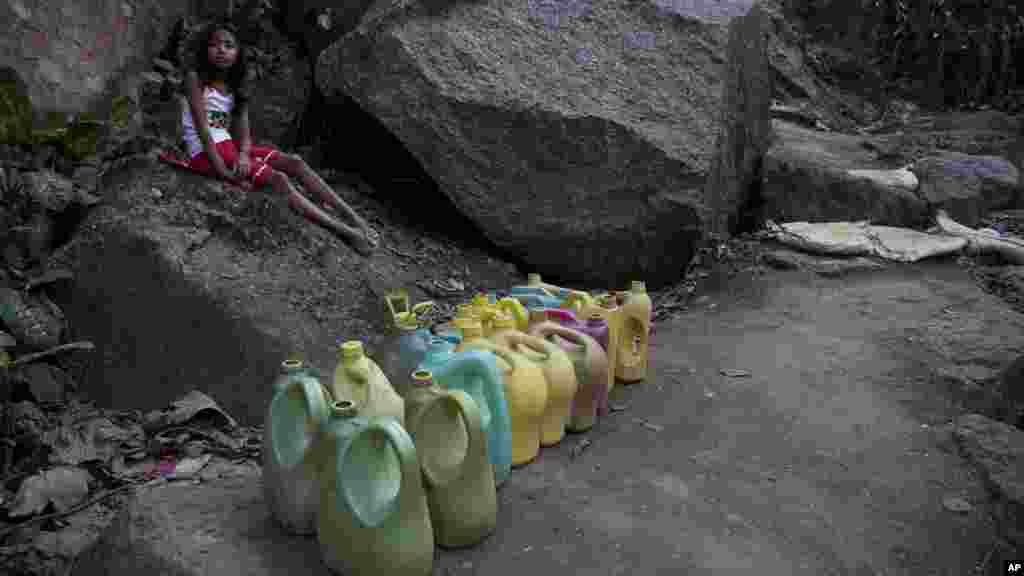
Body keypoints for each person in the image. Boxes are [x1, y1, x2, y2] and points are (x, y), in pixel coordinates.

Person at [181, 16, 379, 255]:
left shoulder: (236, 86)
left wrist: (244, 155)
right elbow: (203, 131)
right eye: (214, 45)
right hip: (206, 152)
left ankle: (354, 218)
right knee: (279, 180)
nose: (221, 50)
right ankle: (347, 233)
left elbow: (244, 134)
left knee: (295, 162)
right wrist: (223, 172)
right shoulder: (196, 79)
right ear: (205, 49)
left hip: (228, 147)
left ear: (238, 52)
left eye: (228, 45)